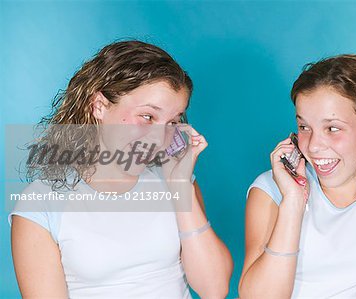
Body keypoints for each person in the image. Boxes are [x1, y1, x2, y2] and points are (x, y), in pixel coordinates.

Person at [10, 40, 233, 298]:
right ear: (99, 106)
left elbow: (214, 289)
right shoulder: (39, 204)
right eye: (148, 117)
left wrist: (181, 187)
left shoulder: (176, 180)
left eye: (173, 121)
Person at [239, 54, 356, 298]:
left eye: (332, 128)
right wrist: (293, 204)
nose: (314, 146)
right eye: (304, 127)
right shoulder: (270, 189)